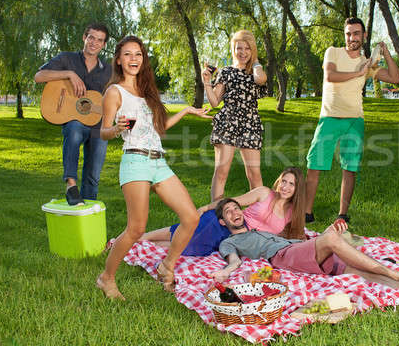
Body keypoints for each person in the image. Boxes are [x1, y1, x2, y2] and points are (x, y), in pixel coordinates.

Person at [96, 36, 212, 300]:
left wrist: (185, 111)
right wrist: (116, 129)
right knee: (136, 228)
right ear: (118, 59)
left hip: (158, 161)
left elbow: (158, 129)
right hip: (135, 161)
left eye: (138, 54)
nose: (133, 59)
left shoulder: (147, 91)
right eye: (127, 54)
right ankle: (106, 278)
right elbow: (103, 132)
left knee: (191, 217)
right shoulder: (114, 92)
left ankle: (167, 266)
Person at [210, 199, 399, 299]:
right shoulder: (229, 242)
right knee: (331, 239)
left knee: (352, 268)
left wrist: (324, 235)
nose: (234, 212)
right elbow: (234, 261)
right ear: (223, 222)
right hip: (282, 257)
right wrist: (226, 272)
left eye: (236, 208)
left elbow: (296, 240)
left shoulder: (259, 231)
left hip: (299, 250)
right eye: (228, 212)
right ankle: (396, 273)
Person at [305, 17, 399, 224]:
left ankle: (342, 214)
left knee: (350, 168)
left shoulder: (369, 63)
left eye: (356, 33)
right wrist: (358, 71)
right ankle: (306, 212)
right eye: (348, 33)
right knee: (314, 164)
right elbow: (330, 75)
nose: (351, 38)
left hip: (354, 120)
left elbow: (395, 79)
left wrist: (386, 54)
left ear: (364, 36)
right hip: (329, 117)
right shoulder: (334, 52)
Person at [138, 167, 307, 256]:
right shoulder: (264, 193)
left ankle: (142, 244)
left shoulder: (294, 214)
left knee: (194, 248)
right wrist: (205, 207)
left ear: (297, 189)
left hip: (242, 239)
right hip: (229, 222)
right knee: (188, 232)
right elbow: (233, 201)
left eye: (291, 184)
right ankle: (143, 238)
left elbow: (296, 238)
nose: (285, 187)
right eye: (283, 181)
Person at [34, 23, 112, 205]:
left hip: (98, 126)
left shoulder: (109, 70)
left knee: (93, 178)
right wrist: (69, 74)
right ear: (84, 37)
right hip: (73, 121)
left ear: (104, 45)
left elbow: (115, 97)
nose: (94, 43)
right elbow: (39, 76)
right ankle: (70, 184)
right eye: (91, 37)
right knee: (75, 128)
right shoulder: (66, 59)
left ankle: (86, 212)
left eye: (99, 40)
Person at [202, 30, 268, 202]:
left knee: (254, 174)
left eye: (247, 48)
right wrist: (207, 82)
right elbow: (215, 102)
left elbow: (261, 80)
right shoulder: (226, 72)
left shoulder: (256, 71)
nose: (243, 52)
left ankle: (259, 217)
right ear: (233, 49)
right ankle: (215, 214)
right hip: (228, 121)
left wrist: (255, 63)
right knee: (222, 171)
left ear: (253, 50)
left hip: (250, 123)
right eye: (239, 48)